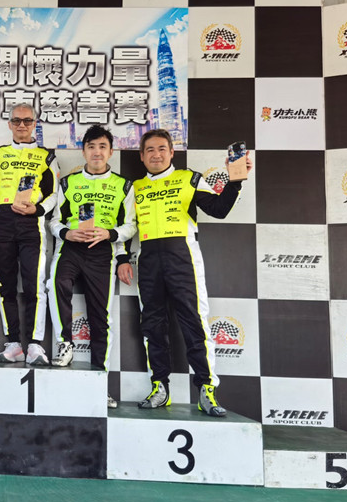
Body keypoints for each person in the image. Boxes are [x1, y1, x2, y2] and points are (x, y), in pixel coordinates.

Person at [117, 129, 253, 417]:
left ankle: (207, 389)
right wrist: (122, 258)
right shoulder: (134, 187)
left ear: (171, 152)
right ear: (141, 156)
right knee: (152, 325)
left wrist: (235, 181)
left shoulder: (189, 178)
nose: (156, 154)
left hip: (184, 260)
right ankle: (160, 387)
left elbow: (218, 210)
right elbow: (127, 226)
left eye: (162, 149)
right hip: (149, 261)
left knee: (194, 323)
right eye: (150, 149)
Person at [47, 125, 135, 408]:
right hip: (71, 247)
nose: (97, 152)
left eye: (102, 147)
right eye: (91, 147)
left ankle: (100, 384)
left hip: (102, 252)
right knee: (56, 283)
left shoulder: (124, 185)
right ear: (83, 151)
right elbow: (53, 221)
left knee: (101, 317)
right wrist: (66, 233)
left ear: (111, 151)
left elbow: (131, 225)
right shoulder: (68, 183)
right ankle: (65, 343)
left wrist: (110, 235)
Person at [0, 103, 58, 365]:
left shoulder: (47, 156)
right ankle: (13, 343)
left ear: (35, 124)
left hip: (32, 223)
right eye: (17, 121)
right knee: (5, 286)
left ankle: (35, 344)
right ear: (9, 124)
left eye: (27, 121)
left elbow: (55, 194)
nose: (22, 125)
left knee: (35, 285)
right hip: (2, 222)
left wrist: (38, 210)